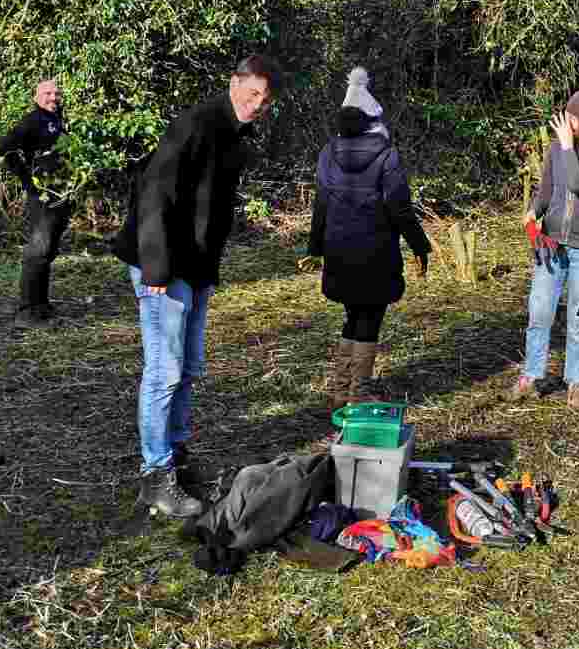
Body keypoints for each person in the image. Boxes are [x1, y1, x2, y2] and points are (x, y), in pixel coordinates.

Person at [119, 55, 282, 518]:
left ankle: (178, 457)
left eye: (265, 101)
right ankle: (156, 476)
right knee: (165, 371)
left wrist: (206, 268)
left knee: (188, 367)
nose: (257, 106)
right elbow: (155, 192)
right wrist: (155, 270)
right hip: (164, 267)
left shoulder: (234, 132)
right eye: (251, 94)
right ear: (234, 83)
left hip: (195, 267)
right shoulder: (196, 124)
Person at [307, 93, 431, 416]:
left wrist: (315, 248)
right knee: (369, 319)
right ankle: (358, 393)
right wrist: (420, 245)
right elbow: (400, 208)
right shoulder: (387, 156)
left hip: (338, 251)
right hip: (376, 252)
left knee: (352, 316)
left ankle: (340, 389)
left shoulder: (326, 154)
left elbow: (320, 204)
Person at [507, 89, 579, 411]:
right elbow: (548, 187)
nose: (568, 123)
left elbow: (578, 183)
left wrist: (569, 145)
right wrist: (534, 212)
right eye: (567, 116)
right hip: (553, 242)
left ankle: (576, 384)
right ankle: (530, 377)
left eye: (575, 119)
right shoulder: (558, 144)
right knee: (540, 310)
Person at [0, 78, 72, 323]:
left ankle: (41, 305)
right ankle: (27, 311)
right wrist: (28, 180)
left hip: (60, 194)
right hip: (42, 195)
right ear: (36, 97)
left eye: (56, 94)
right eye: (47, 93)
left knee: (48, 250)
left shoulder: (58, 120)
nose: (53, 98)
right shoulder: (33, 120)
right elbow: (4, 147)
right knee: (38, 250)